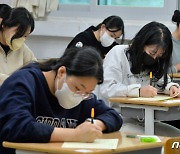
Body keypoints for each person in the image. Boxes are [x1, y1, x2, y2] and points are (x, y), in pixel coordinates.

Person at [0, 46, 123, 153]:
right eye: (78, 88)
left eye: (88, 92)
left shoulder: (84, 97)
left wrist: (95, 125)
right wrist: (75, 135)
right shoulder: (24, 82)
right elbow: (17, 126)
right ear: (62, 72)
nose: (81, 96)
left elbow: (113, 115)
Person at [98, 21, 180, 136]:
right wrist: (138, 91)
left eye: (159, 56)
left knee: (176, 139)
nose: (154, 58)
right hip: (118, 119)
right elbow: (107, 89)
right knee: (153, 141)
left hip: (146, 120)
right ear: (142, 44)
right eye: (152, 52)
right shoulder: (118, 53)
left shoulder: (155, 62)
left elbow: (161, 81)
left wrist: (171, 87)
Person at [0, 5, 36, 85]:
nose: (21, 38)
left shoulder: (22, 48)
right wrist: (17, 80)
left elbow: (34, 67)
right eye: (19, 33)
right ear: (4, 25)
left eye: (25, 36)